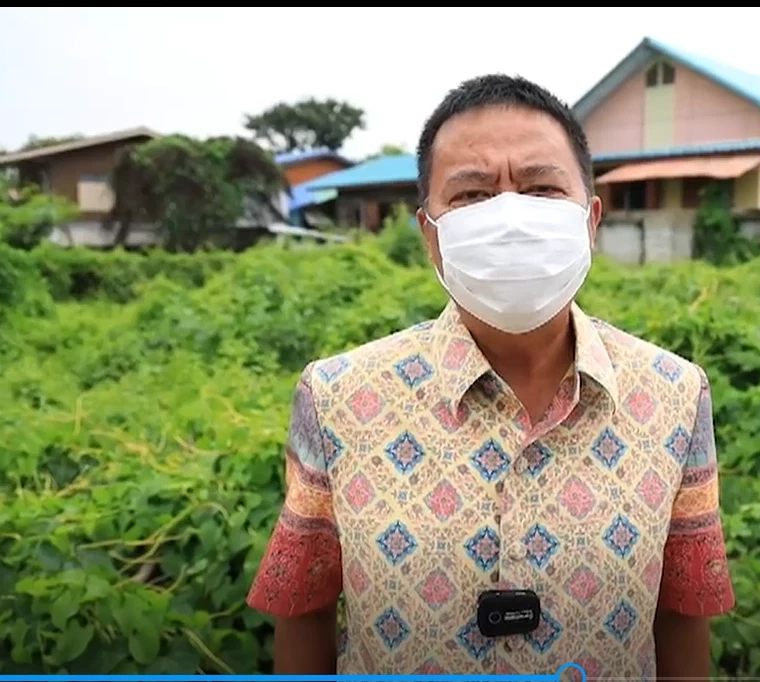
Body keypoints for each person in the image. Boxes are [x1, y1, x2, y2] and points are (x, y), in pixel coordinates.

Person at [246, 73, 735, 680]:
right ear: (430, 233)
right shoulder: (337, 396)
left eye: (540, 187)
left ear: (591, 219)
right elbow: (303, 609)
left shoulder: (676, 394)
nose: (509, 217)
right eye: (473, 195)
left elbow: (684, 614)